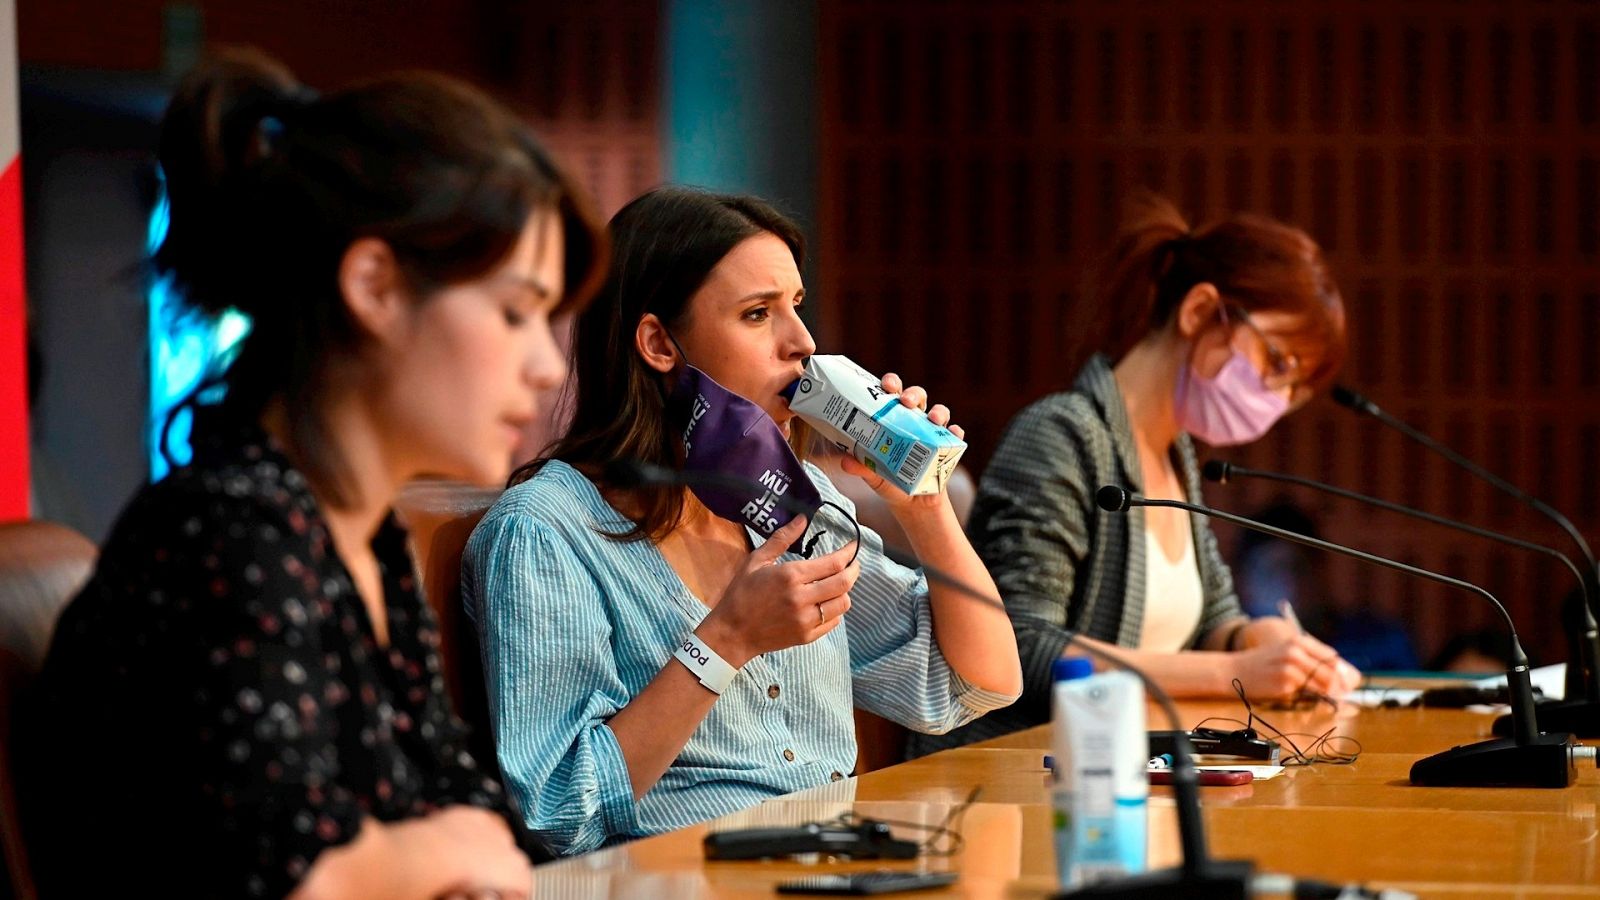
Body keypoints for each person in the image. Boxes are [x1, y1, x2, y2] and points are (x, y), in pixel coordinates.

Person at [23, 48, 606, 898]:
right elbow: (299, 876)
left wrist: (434, 851)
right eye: (515, 312)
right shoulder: (225, 533)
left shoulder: (359, 538)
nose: (546, 367)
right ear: (374, 284)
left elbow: (476, 821)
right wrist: (433, 854)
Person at [462, 186, 1023, 855]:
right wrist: (723, 642)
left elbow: (976, 684)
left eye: (797, 307)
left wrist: (924, 505)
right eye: (758, 314)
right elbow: (558, 809)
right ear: (658, 344)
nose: (803, 344)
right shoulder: (546, 532)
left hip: (828, 866)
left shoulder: (795, 504)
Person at [907, 192, 1362, 758]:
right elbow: (1022, 646)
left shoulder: (1177, 458)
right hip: (1012, 778)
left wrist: (1256, 637)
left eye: (1294, 390)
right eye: (1278, 364)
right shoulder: (1062, 435)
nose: (1278, 399)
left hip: (1122, 773)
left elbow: (1209, 617)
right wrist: (1235, 671)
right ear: (1199, 312)